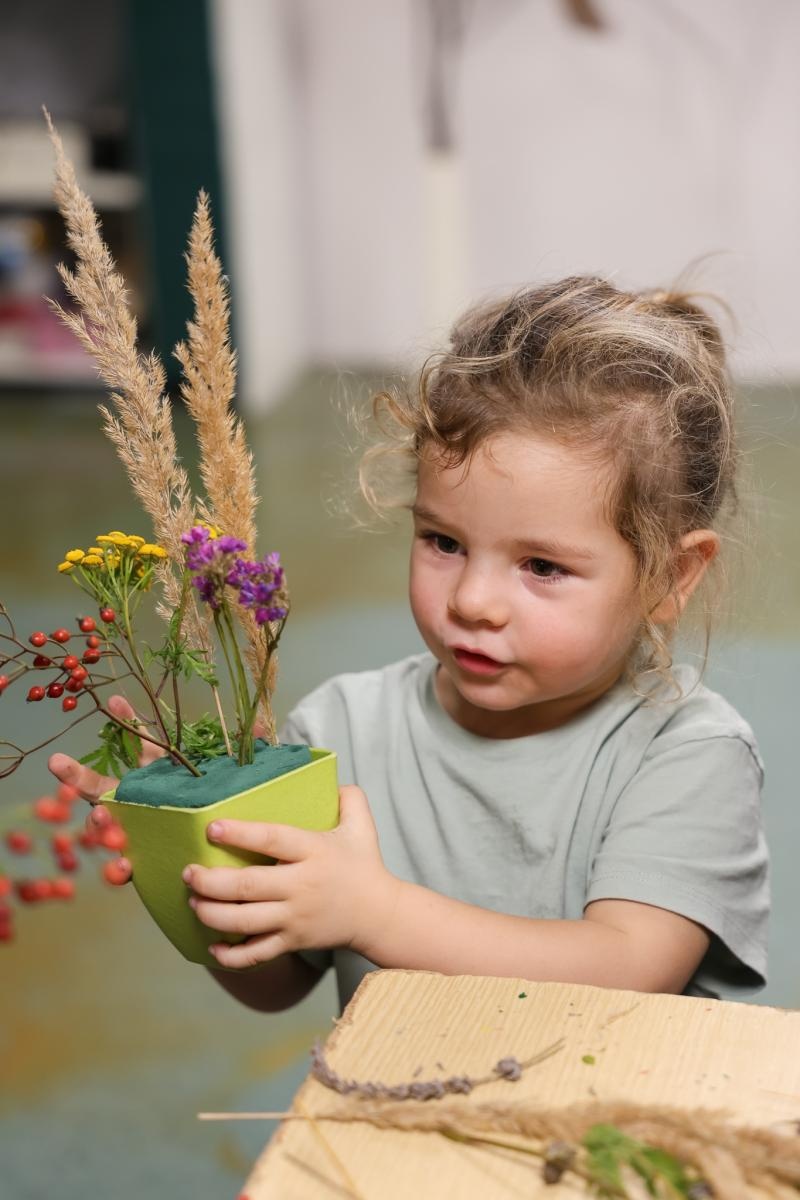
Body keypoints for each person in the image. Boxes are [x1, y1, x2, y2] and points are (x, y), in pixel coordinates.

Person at [49, 276, 769, 1016]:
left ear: (671, 576)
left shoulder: (688, 752)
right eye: (444, 542)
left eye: (543, 566)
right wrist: (189, 866)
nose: (472, 602)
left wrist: (375, 912)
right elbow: (276, 984)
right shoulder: (342, 730)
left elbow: (628, 966)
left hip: (613, 1121)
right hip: (397, 1115)